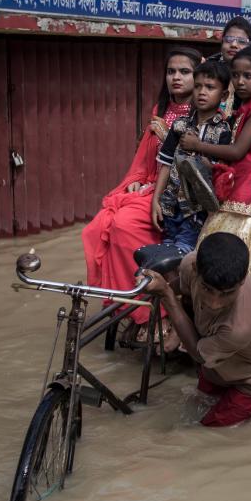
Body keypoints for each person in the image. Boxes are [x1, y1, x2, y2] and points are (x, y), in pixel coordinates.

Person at [82, 46, 201, 326]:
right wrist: (136, 181)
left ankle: (147, 308)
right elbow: (145, 161)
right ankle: (122, 300)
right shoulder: (160, 109)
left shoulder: (205, 111)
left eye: (185, 72)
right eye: (171, 71)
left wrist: (166, 136)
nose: (176, 78)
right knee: (101, 225)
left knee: (124, 224)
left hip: (183, 191)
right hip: (152, 183)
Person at [139, 233, 251, 427]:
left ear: (243, 280)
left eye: (227, 294)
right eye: (207, 289)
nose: (214, 303)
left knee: (211, 428)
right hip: (221, 358)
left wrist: (167, 296)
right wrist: (161, 286)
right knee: (200, 400)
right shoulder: (189, 265)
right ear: (195, 270)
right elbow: (183, 286)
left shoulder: (240, 326)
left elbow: (198, 354)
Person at [181, 47, 251, 295]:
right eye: (236, 75)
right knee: (214, 239)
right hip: (241, 181)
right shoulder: (242, 110)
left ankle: (248, 306)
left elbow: (237, 152)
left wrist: (198, 146)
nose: (240, 81)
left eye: (248, 76)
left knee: (247, 246)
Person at [151, 60, 232, 253]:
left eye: (210, 87)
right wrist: (156, 200)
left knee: (183, 251)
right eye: (198, 86)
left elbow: (221, 170)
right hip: (169, 205)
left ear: (224, 95)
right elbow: (165, 163)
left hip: (197, 211)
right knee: (167, 250)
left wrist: (204, 161)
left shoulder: (223, 130)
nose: (202, 92)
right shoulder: (179, 125)